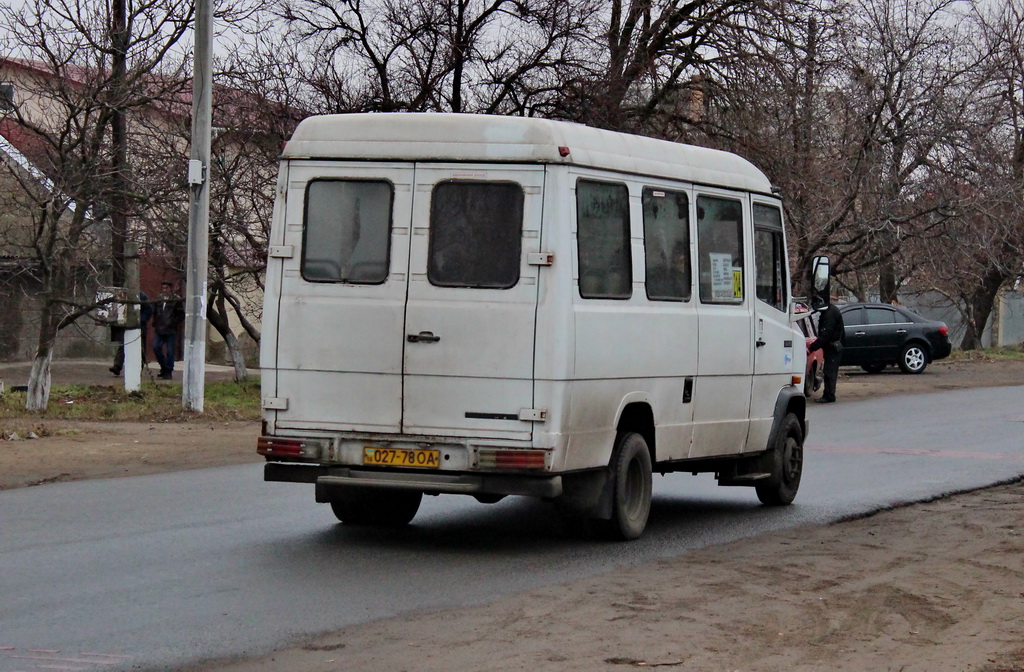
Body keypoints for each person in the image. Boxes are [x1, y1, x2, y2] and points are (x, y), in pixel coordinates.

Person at [808, 301, 844, 403]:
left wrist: (813, 347)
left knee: (830, 372)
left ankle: (829, 396)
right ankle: (829, 394)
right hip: (833, 346)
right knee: (829, 372)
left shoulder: (829, 314)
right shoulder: (831, 311)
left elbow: (825, 334)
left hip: (832, 347)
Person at [110, 291, 152, 375]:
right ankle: (117, 365)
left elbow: (148, 311)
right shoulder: (124, 295)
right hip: (128, 325)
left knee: (141, 347)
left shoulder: (141, 296)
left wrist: (140, 320)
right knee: (123, 345)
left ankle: (139, 367)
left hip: (139, 326)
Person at [152, 281, 185, 380]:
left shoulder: (176, 300)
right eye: (163, 288)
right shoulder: (159, 299)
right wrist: (155, 322)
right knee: (156, 347)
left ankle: (168, 371)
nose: (164, 290)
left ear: (170, 289)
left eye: (166, 288)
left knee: (170, 352)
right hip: (159, 329)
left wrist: (172, 322)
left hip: (171, 330)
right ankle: (164, 367)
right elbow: (155, 312)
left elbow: (181, 315)